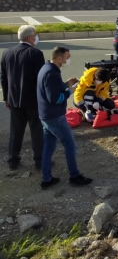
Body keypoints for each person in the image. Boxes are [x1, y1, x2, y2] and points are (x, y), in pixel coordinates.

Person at [37, 46, 92, 189]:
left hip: (46, 115)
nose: (69, 60)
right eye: (68, 57)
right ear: (60, 58)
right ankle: (74, 176)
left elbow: (52, 88)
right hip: (54, 116)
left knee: (49, 147)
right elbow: (54, 98)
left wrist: (65, 84)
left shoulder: (47, 68)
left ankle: (46, 178)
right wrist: (69, 91)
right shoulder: (51, 73)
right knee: (70, 145)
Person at [0, 25, 45, 170]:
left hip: (14, 100)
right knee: (37, 131)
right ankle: (39, 161)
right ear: (29, 37)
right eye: (35, 35)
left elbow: (3, 78)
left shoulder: (7, 53)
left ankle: (13, 160)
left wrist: (6, 97)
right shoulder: (36, 53)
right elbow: (41, 79)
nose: (36, 37)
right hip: (33, 100)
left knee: (16, 131)